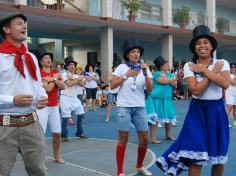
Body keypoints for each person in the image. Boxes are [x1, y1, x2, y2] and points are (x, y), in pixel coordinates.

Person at [156, 25, 230, 176]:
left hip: (217, 112)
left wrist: (205, 71)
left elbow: (225, 83)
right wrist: (212, 72)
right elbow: (195, 90)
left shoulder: (222, 62)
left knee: (219, 159)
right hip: (197, 112)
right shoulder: (189, 66)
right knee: (194, 157)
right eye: (198, 43)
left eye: (205, 42)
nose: (202, 46)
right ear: (195, 48)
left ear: (211, 46)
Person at [0, 13, 48, 175]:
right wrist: (12, 100)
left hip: (32, 125)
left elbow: (37, 84)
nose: (24, 26)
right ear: (6, 29)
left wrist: (42, 97)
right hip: (4, 127)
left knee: (39, 171)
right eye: (19, 23)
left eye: (25, 23)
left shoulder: (31, 57)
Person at [111, 38, 153, 176]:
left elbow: (150, 89)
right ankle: (120, 172)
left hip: (140, 107)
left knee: (144, 140)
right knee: (123, 138)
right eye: (133, 52)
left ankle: (139, 166)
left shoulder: (144, 69)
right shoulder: (122, 68)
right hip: (124, 107)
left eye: (138, 52)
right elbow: (112, 85)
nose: (136, 54)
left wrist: (146, 73)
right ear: (127, 55)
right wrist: (126, 75)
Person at [36, 49, 65, 164]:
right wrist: (56, 78)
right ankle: (40, 161)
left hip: (54, 107)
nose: (48, 59)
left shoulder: (55, 73)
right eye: (45, 58)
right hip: (42, 107)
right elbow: (48, 89)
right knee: (40, 135)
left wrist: (52, 78)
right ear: (41, 61)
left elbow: (63, 87)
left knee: (57, 134)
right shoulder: (38, 73)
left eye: (49, 58)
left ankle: (56, 156)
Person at [145, 56, 177, 144]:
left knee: (169, 118)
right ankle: (152, 138)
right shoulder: (157, 73)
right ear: (161, 65)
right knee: (155, 118)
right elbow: (162, 81)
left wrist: (170, 80)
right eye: (165, 64)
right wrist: (171, 79)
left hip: (166, 98)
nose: (167, 65)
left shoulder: (169, 74)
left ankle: (168, 135)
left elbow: (175, 84)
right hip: (156, 98)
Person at [60, 56, 87, 142]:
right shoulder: (64, 74)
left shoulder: (75, 75)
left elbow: (82, 84)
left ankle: (79, 132)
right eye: (70, 65)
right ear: (67, 66)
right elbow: (69, 84)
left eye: (73, 65)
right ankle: (64, 135)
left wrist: (76, 78)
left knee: (81, 114)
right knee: (65, 117)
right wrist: (77, 79)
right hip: (65, 98)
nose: (72, 66)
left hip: (74, 98)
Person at [225, 63, 236, 127]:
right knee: (229, 107)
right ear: (229, 69)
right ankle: (225, 122)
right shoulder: (228, 75)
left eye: (234, 67)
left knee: (235, 108)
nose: (233, 69)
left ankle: (235, 122)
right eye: (231, 68)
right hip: (229, 93)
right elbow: (233, 83)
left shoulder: (231, 75)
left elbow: (233, 82)